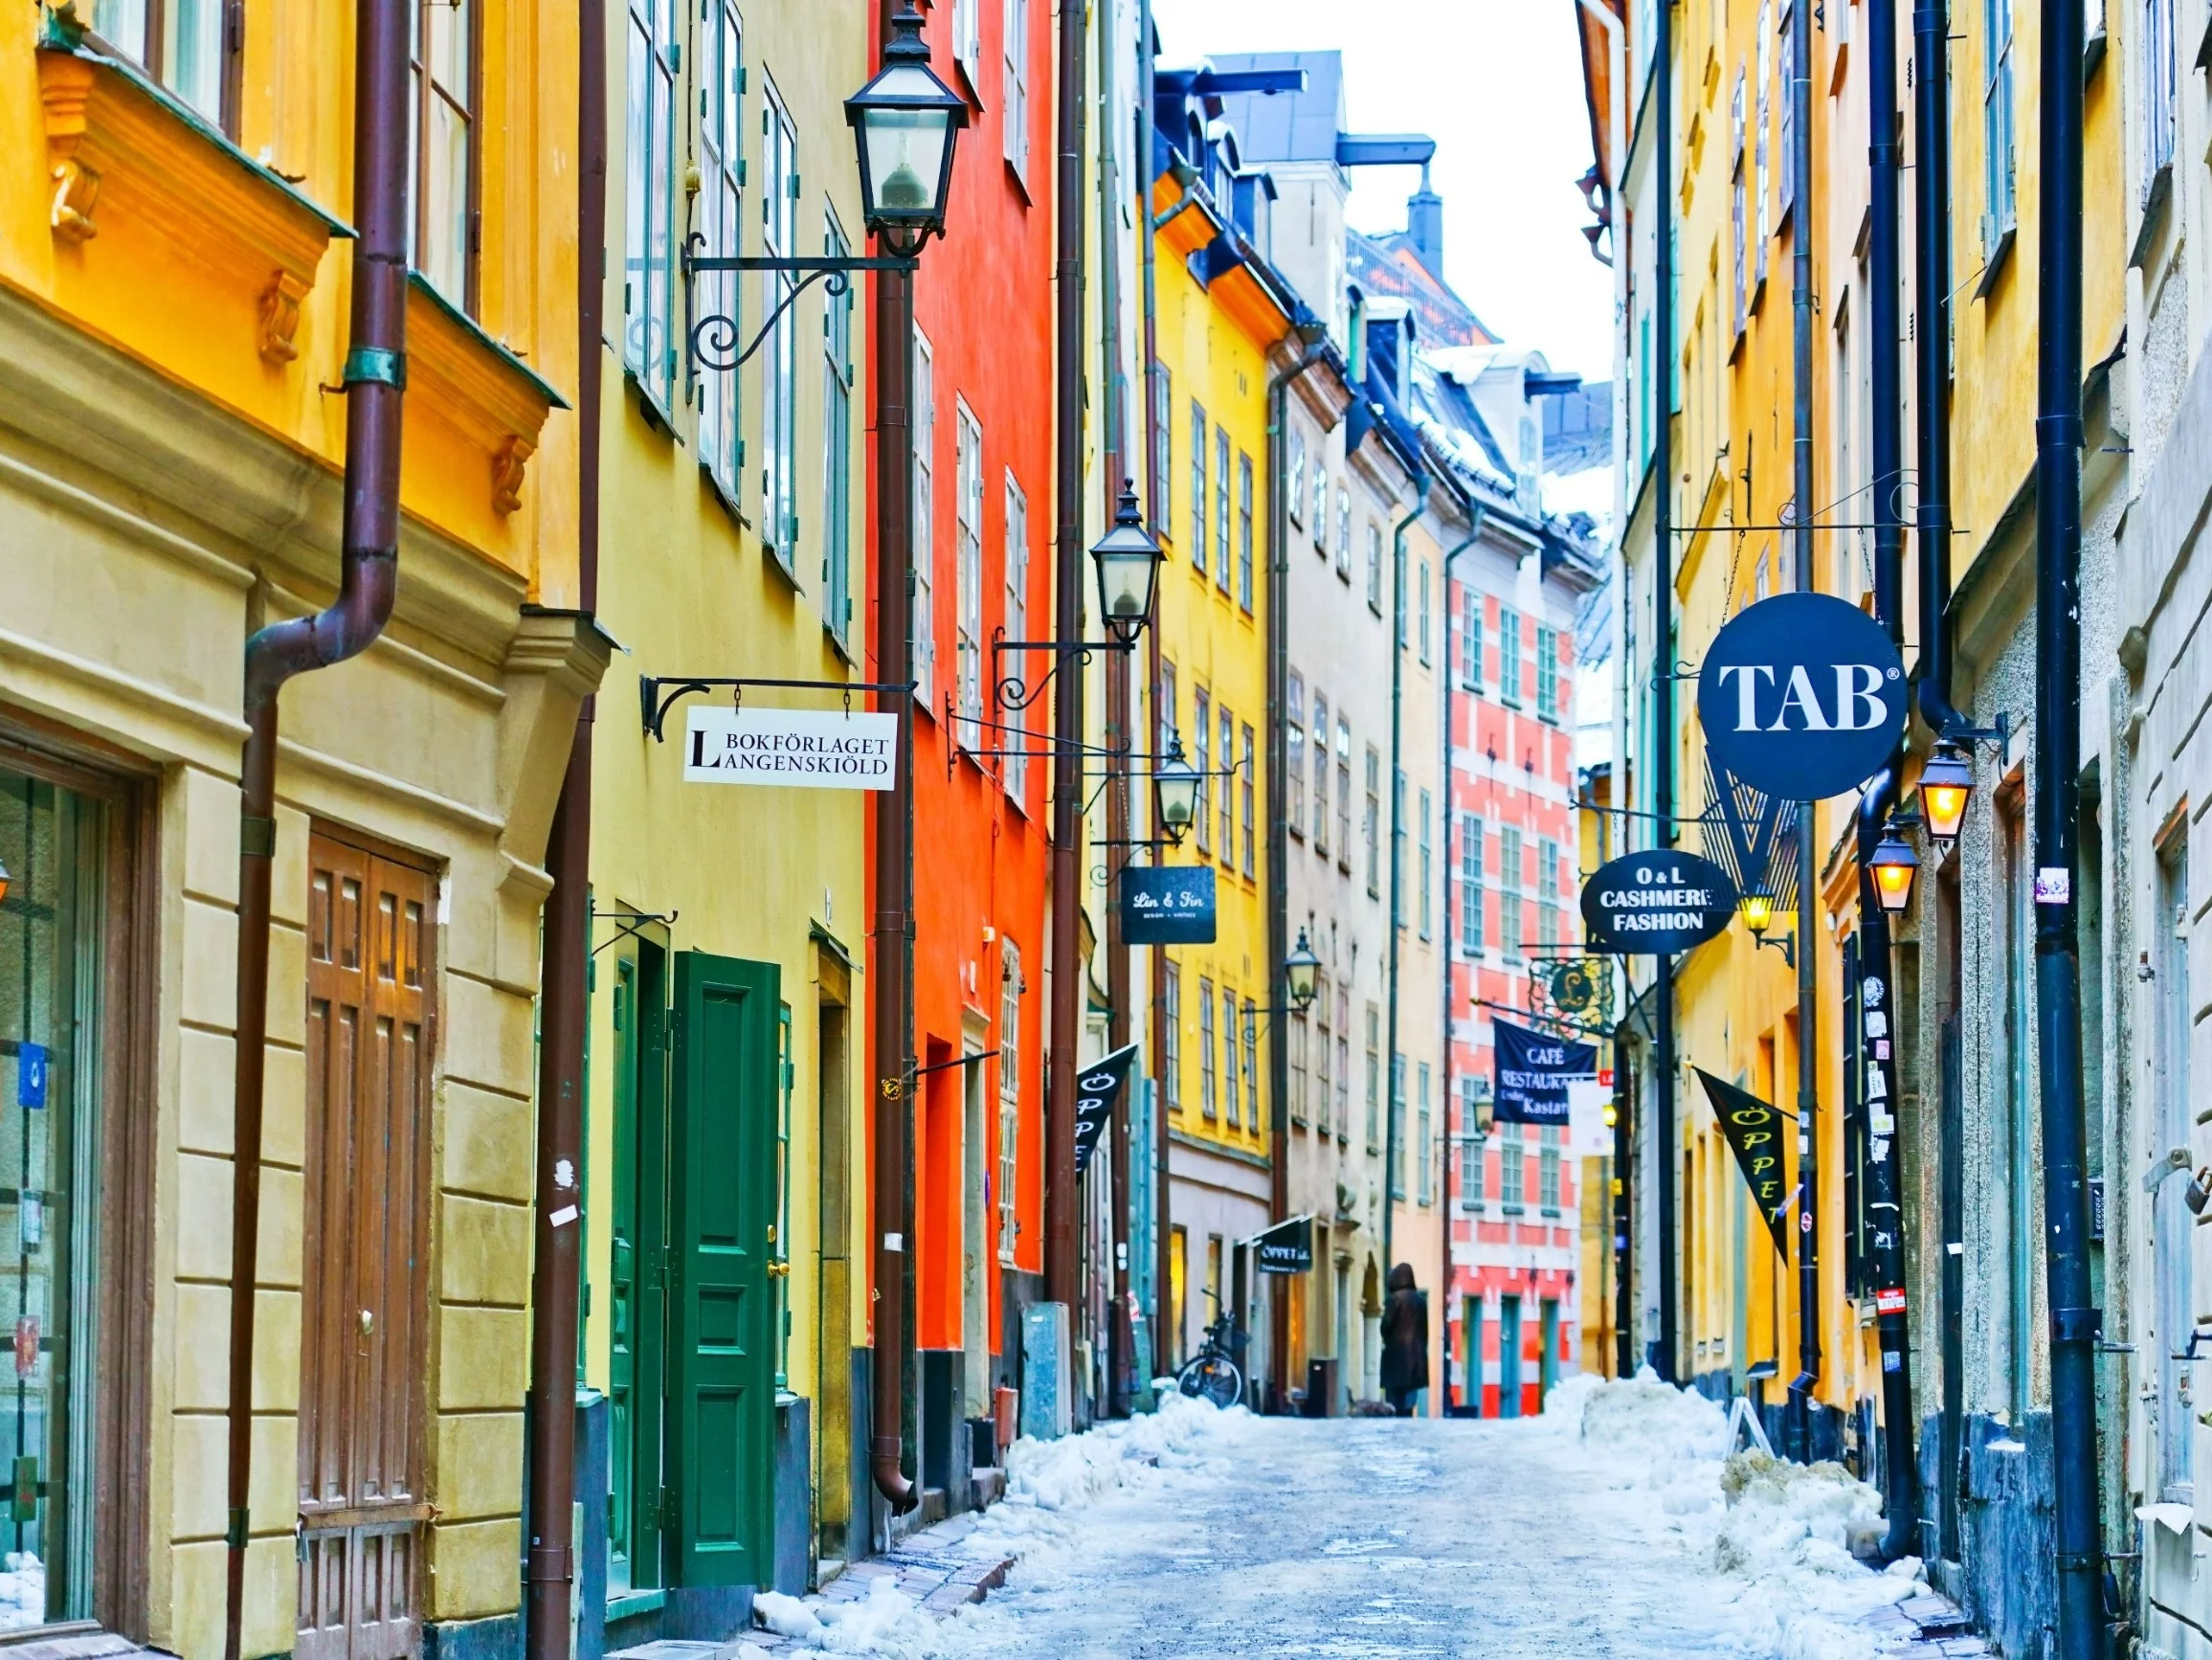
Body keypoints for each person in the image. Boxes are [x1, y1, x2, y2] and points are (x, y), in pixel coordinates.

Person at [1378, 1262, 1429, 1416]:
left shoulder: (1393, 1300)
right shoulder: (1421, 1302)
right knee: (1410, 1396)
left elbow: (1385, 1326)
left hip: (1396, 1355)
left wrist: (1387, 1339)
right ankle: (1407, 1415)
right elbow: (1425, 1331)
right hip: (1416, 1357)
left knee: (1394, 1398)